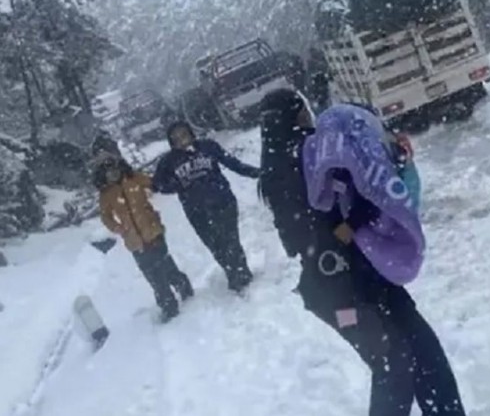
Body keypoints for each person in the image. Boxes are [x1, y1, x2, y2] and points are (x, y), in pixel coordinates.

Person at [257, 89, 464, 416]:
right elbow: (355, 201)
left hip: (352, 278)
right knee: (397, 368)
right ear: (296, 114)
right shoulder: (311, 151)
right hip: (344, 287)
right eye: (303, 110)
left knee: (419, 357)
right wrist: (387, 170)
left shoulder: (279, 164)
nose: (309, 116)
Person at [152, 121, 259, 293]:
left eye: (184, 134)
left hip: (223, 201)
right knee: (215, 246)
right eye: (176, 137)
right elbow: (157, 185)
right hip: (196, 211)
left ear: (190, 133)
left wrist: (257, 172)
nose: (181, 139)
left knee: (231, 240)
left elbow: (232, 163)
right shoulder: (168, 161)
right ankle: (231, 272)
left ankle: (241, 274)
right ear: (171, 141)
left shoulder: (208, 147)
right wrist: (176, 184)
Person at [94, 146, 193, 323]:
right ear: (102, 175)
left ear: (120, 167)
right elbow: (105, 217)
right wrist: (118, 228)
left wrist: (173, 182)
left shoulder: (134, 179)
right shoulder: (106, 195)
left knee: (167, 267)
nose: (113, 174)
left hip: (153, 231)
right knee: (153, 277)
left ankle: (184, 288)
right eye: (108, 172)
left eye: (114, 170)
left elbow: (155, 184)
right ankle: (168, 306)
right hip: (134, 242)